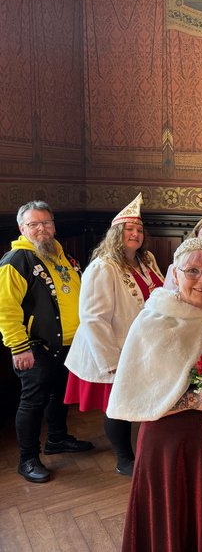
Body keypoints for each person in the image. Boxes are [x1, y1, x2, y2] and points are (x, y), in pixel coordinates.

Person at [106, 237, 202, 551]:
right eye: (192, 271)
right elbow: (137, 391)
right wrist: (196, 398)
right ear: (175, 274)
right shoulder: (153, 319)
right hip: (169, 441)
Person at [64, 194, 163, 476]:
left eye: (139, 230)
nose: (135, 234)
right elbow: (93, 319)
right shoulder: (102, 267)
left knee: (144, 402)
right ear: (116, 234)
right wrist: (111, 361)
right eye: (129, 230)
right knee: (117, 407)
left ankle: (145, 453)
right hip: (113, 349)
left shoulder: (147, 260)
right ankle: (124, 459)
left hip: (143, 347)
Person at [0, 200, 94, 483]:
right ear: (21, 228)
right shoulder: (15, 261)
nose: (41, 228)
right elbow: (6, 309)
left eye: (47, 222)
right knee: (32, 402)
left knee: (59, 395)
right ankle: (27, 459)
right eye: (34, 224)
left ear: (54, 225)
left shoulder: (61, 255)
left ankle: (57, 438)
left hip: (69, 344)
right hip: (35, 346)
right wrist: (19, 347)